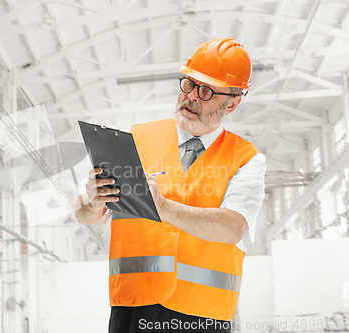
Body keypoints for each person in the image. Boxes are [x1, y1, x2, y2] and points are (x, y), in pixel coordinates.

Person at [75, 38, 267, 333]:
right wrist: (92, 200)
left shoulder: (246, 159)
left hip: (203, 315)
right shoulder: (135, 139)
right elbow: (84, 214)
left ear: (232, 103)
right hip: (132, 305)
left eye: (206, 91)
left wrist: (161, 205)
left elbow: (233, 227)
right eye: (188, 84)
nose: (192, 97)